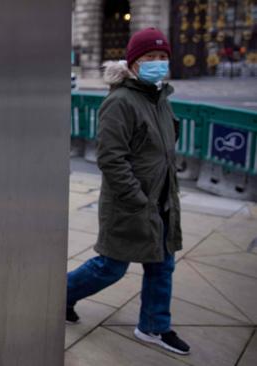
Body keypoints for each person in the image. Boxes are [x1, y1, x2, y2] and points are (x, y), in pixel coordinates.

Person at [66, 28, 190, 355]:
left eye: (163, 58)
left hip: (162, 200)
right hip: (131, 203)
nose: (158, 64)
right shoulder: (120, 101)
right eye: (150, 58)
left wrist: (163, 194)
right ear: (134, 62)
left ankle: (153, 326)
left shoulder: (160, 97)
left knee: (163, 264)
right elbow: (110, 157)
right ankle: (60, 295)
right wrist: (137, 199)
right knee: (111, 267)